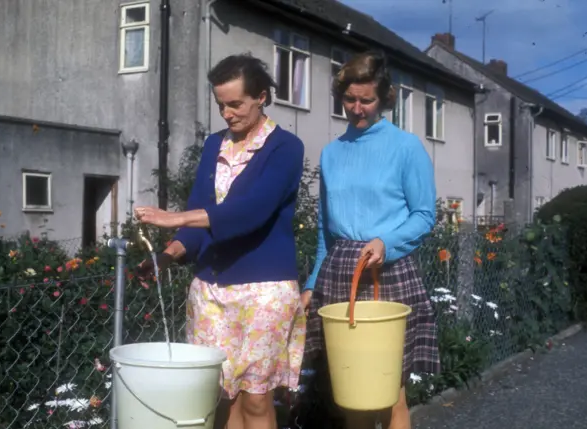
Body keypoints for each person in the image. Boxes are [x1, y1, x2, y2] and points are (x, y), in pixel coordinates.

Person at [134, 54, 306, 429]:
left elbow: (252, 211)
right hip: (211, 292)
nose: (227, 114)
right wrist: (167, 255)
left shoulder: (286, 148)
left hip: (265, 290)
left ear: (261, 97)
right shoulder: (214, 145)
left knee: (257, 400)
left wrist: (173, 217)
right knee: (221, 397)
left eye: (235, 104)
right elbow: (201, 215)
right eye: (220, 105)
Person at [300, 51, 440, 429]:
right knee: (352, 395)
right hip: (339, 275)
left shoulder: (406, 147)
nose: (357, 108)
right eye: (349, 99)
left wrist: (386, 242)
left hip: (388, 272)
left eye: (367, 100)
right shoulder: (331, 154)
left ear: (385, 99)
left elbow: (425, 215)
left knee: (390, 393)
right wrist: (312, 283)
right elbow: (325, 232)